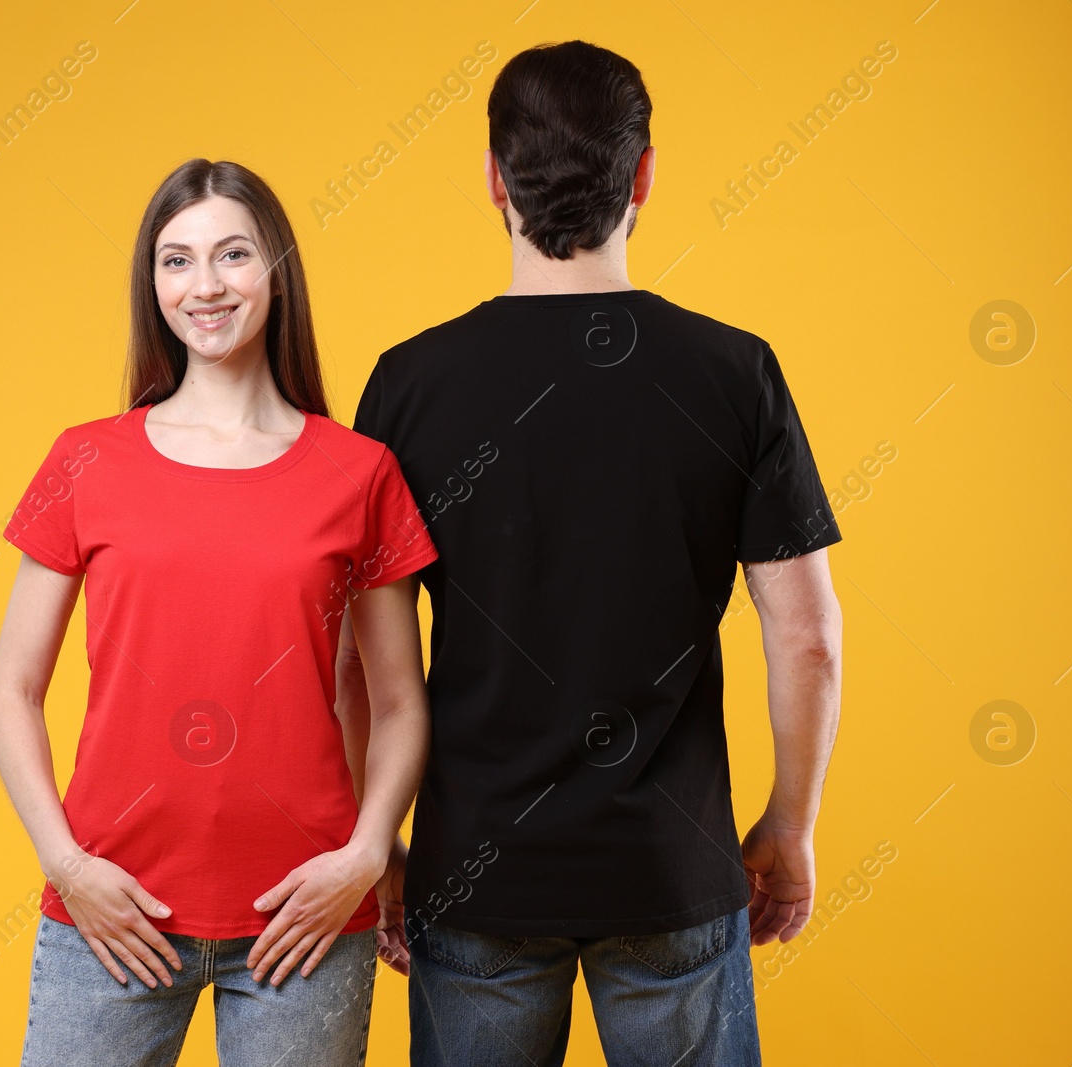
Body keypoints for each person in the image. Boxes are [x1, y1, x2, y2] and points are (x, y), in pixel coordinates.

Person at [341, 41, 845, 1066]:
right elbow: (807, 641)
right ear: (644, 175)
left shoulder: (408, 385)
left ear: (493, 180)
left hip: (475, 877)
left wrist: (381, 845)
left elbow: (361, 661)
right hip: (673, 866)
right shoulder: (733, 373)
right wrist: (786, 827)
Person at [0, 158, 438, 1067]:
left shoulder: (360, 472)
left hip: (302, 921)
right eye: (176, 260)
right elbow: (12, 686)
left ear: (275, 270)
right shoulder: (85, 460)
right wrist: (69, 867)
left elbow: (399, 702)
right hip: (111, 909)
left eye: (232, 255)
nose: (206, 285)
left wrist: (361, 860)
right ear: (152, 286)